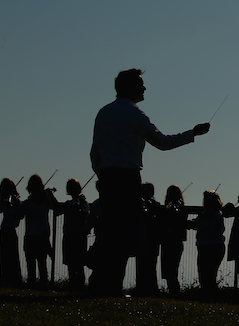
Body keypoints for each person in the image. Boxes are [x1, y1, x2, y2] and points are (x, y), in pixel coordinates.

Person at [89, 68, 210, 296]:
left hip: (107, 178)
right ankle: (113, 286)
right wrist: (192, 133)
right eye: (141, 84)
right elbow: (162, 143)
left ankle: (98, 283)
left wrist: (102, 176)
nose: (145, 88)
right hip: (127, 178)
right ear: (132, 87)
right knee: (124, 234)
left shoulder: (103, 113)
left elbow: (94, 152)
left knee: (107, 233)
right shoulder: (135, 115)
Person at [22, 174, 59, 287]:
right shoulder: (28, 202)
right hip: (35, 234)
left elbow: (56, 208)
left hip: (38, 235)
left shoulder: (43, 200)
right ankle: (36, 283)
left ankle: (40, 284)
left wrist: (51, 196)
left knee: (39, 263)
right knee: (35, 263)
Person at [57, 178, 90, 291]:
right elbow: (57, 209)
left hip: (78, 236)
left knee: (78, 263)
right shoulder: (70, 204)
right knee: (71, 263)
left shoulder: (83, 203)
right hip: (70, 235)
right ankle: (73, 285)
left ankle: (79, 285)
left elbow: (83, 213)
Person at [194, 190, 226, 295]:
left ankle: (210, 295)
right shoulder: (205, 213)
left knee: (210, 273)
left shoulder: (217, 214)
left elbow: (212, 229)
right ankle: (207, 294)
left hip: (213, 246)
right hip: (204, 245)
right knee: (203, 273)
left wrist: (199, 224)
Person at [161, 184, 189, 295]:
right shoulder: (172, 207)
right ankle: (173, 291)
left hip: (174, 241)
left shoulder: (180, 208)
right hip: (168, 241)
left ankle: (174, 292)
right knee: (169, 270)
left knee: (172, 269)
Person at [135, 182, 163, 296]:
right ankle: (141, 287)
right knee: (141, 263)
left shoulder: (155, 206)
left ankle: (151, 288)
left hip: (151, 238)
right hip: (143, 237)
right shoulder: (139, 205)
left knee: (150, 264)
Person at [0, 178, 24, 287]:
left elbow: (17, 216)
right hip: (4, 229)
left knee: (12, 256)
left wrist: (10, 208)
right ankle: (5, 279)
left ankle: (14, 280)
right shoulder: (4, 202)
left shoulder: (16, 201)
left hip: (10, 229)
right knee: (4, 256)